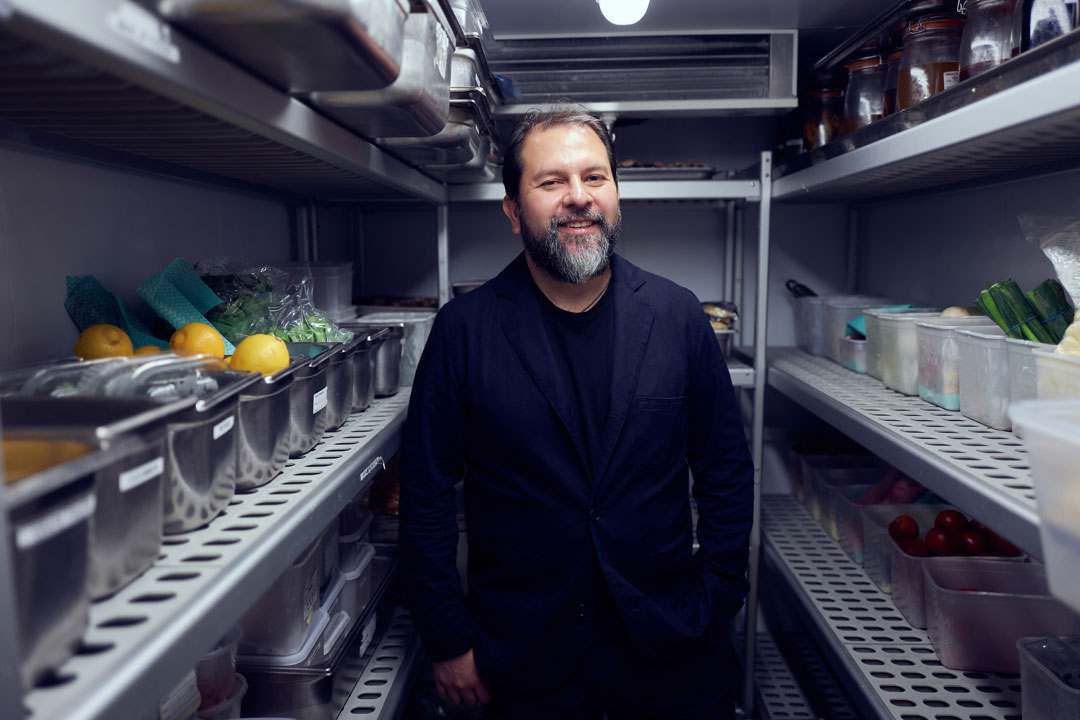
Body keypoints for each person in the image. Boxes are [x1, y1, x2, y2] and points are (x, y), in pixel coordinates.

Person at [400, 107, 754, 719]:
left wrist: (718, 596)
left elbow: (725, 470)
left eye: (595, 178)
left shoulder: (677, 317)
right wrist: (448, 638)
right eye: (551, 182)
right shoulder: (464, 330)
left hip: (672, 647)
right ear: (513, 211)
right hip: (522, 658)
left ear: (617, 196)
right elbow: (427, 492)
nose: (578, 198)